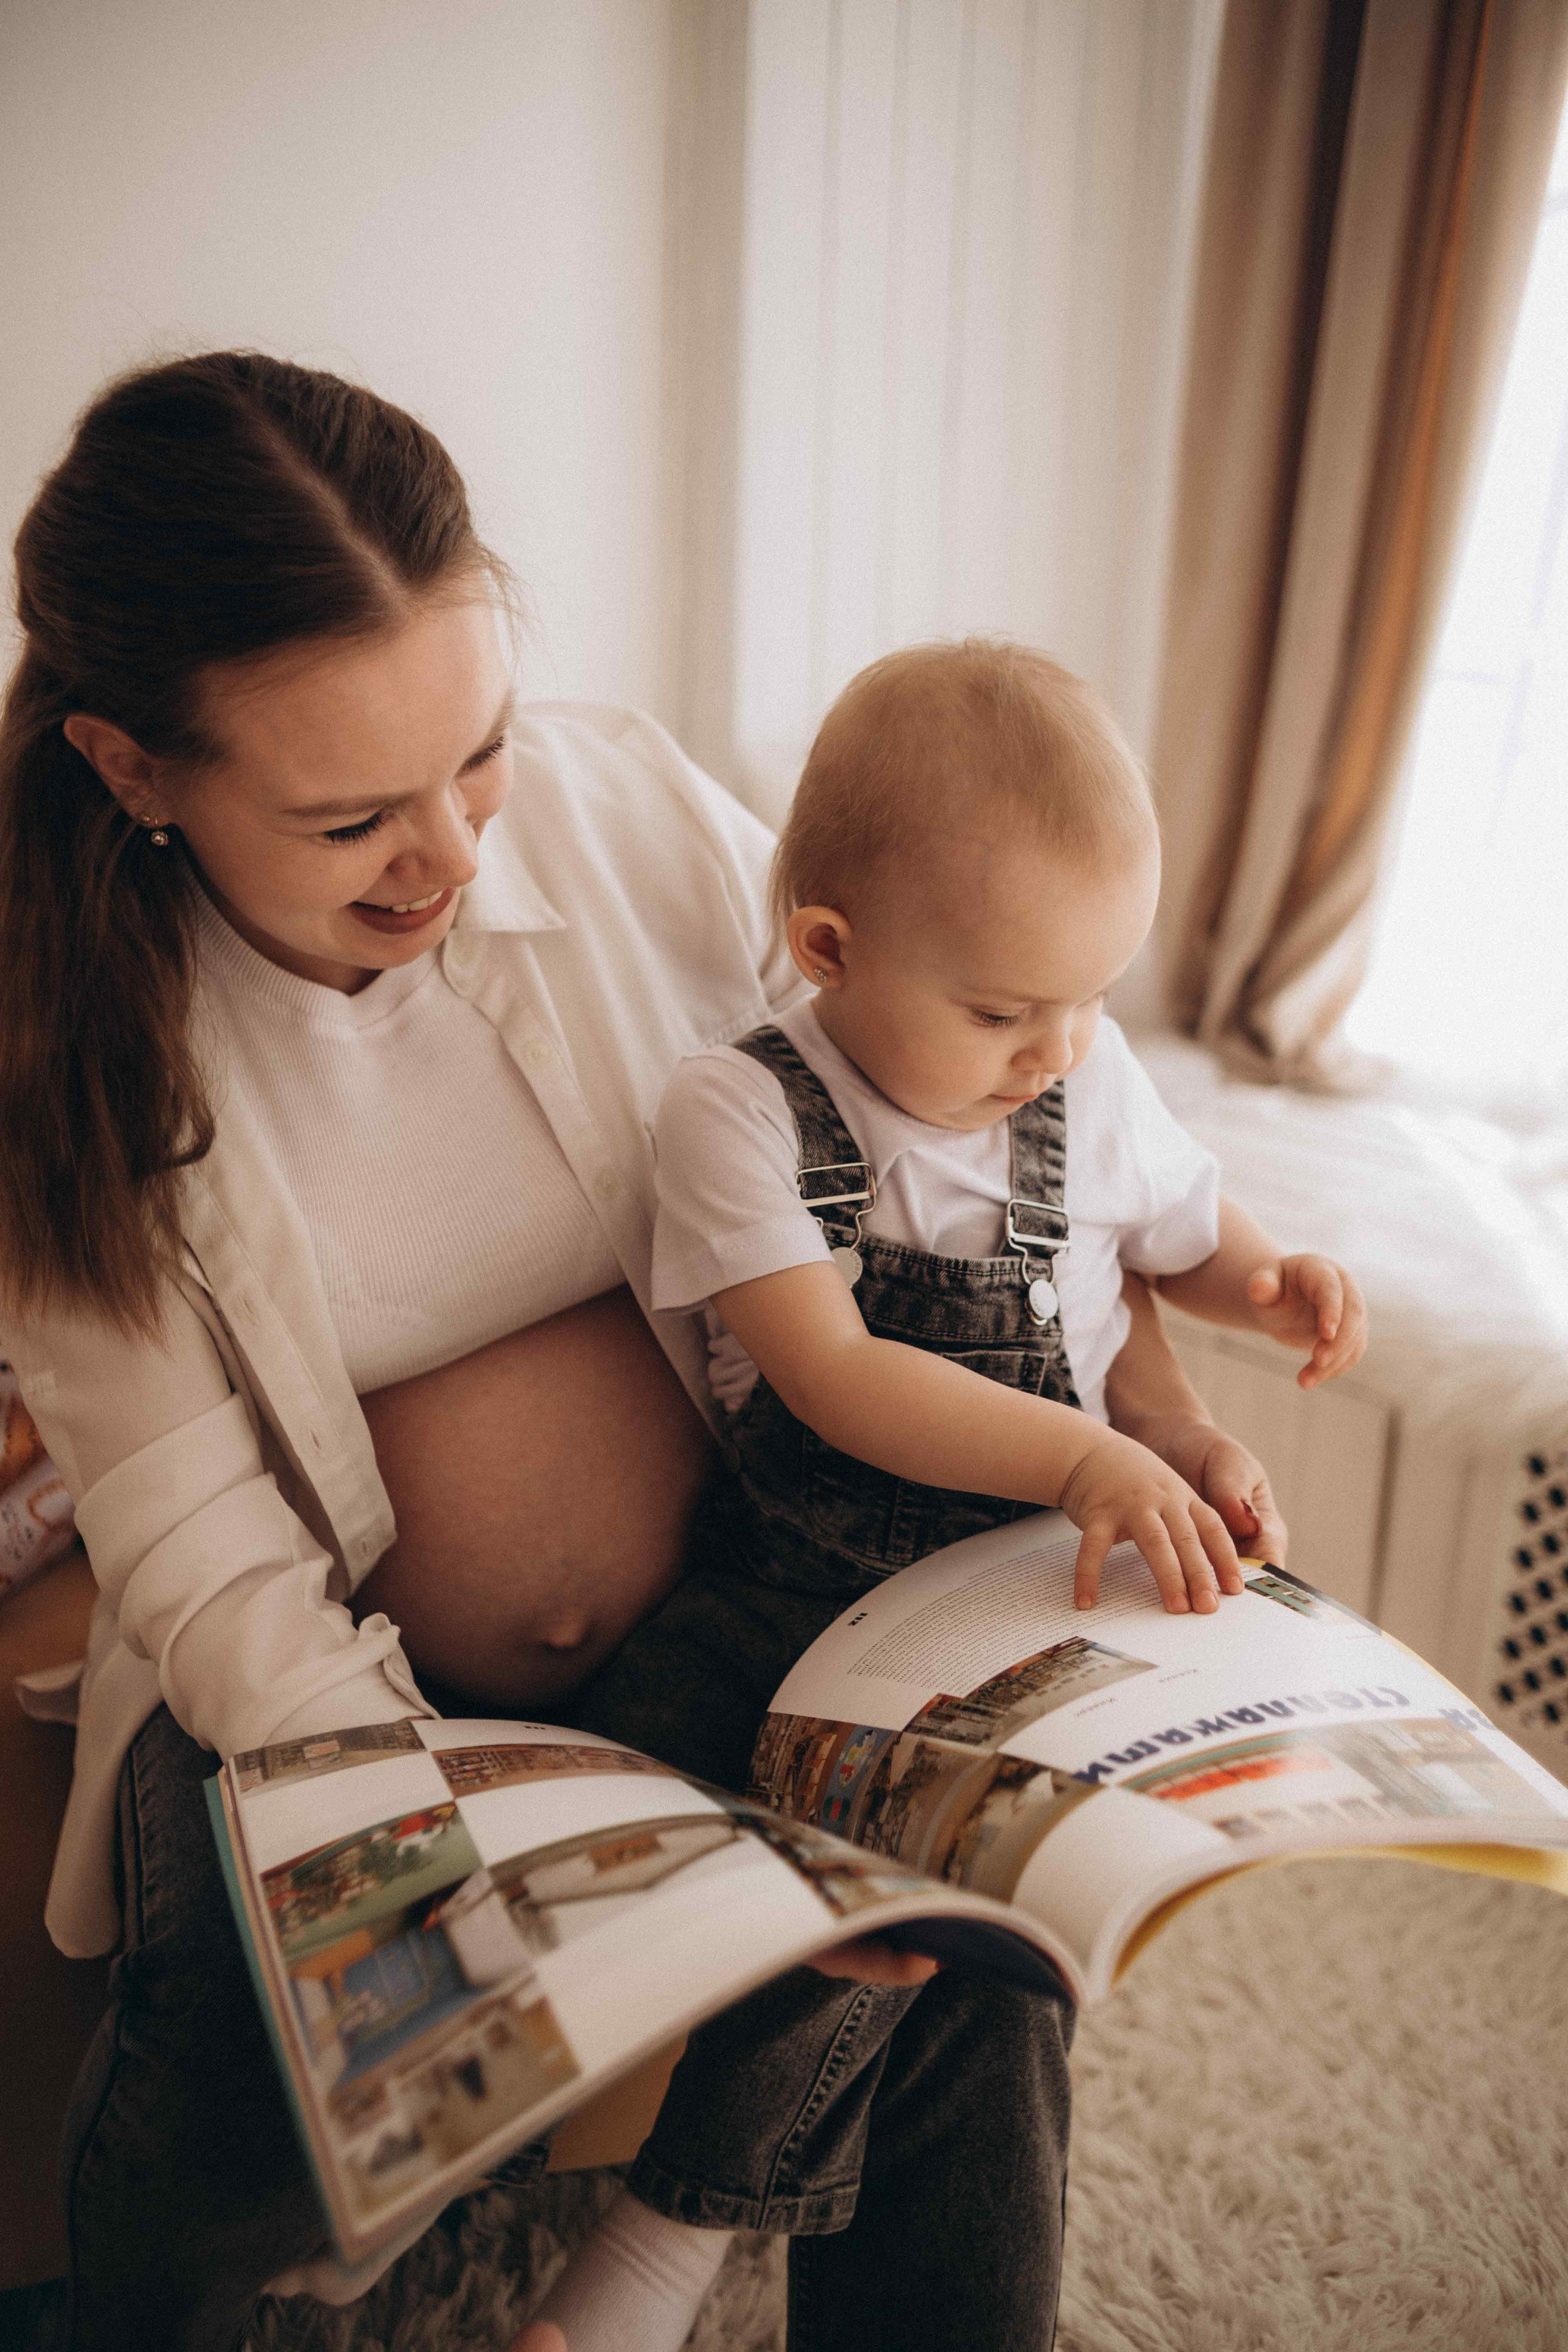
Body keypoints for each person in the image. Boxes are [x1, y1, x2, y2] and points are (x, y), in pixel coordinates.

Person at [0, 356, 1281, 2352]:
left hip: (770, 1586)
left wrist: (1156, 1401)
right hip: (330, 1690)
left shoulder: (620, 808)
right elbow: (199, 1551)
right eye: (352, 818)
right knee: (248, 2003)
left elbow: (947, 1116)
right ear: (133, 766)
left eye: (479, 754)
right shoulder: (68, 1059)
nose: (451, 853)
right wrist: (430, 1818)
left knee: (961, 1939)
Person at [571, 638, 1368, 1858]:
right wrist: (1083, 1459)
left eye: (1093, 995)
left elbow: (1180, 1236)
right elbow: (832, 1377)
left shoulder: (1081, 1075)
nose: (1055, 1051)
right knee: (679, 1829)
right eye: (1000, 1013)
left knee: (1024, 1886)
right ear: (830, 949)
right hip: (797, 1591)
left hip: (1046, 1581)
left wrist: (1265, 1286)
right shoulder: (737, 1109)